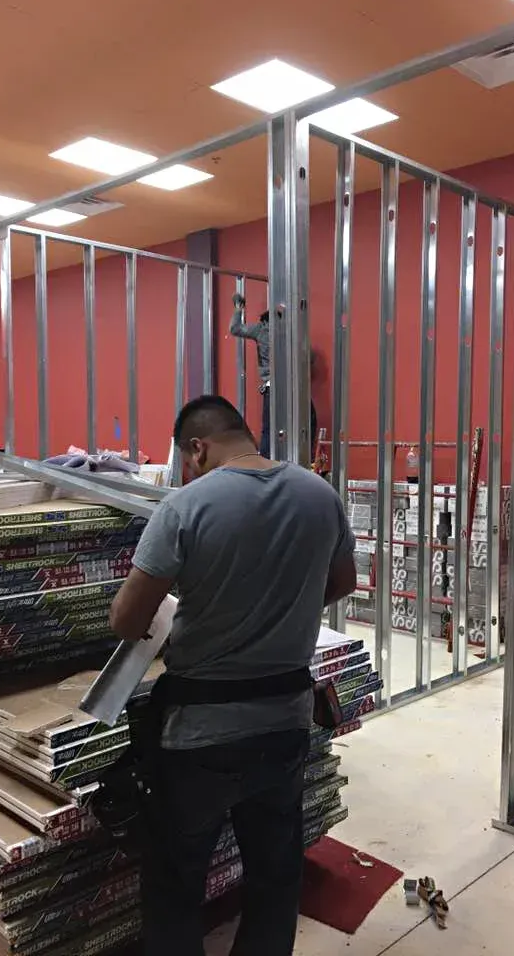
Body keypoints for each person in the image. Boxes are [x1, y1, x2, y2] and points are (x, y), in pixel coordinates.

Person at [109, 395, 356, 956]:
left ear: (197, 448)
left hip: (199, 734)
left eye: (186, 462)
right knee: (275, 874)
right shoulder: (320, 495)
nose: (187, 472)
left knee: (175, 883)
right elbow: (342, 582)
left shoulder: (185, 507)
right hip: (286, 720)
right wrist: (283, 612)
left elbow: (127, 621)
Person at [230, 295, 317, 461]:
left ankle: (265, 465)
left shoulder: (260, 329)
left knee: (269, 430)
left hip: (272, 386)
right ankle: (306, 459)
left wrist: (238, 309)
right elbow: (310, 357)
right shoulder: (291, 332)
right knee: (307, 421)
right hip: (293, 386)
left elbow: (235, 329)